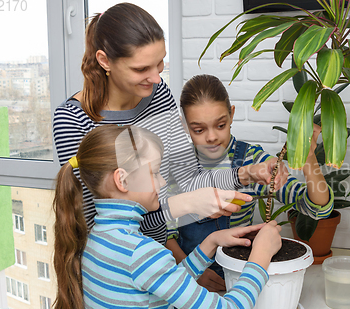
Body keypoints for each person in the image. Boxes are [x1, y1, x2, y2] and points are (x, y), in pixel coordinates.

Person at [52, 2, 288, 248]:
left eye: (160, 63)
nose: (156, 78)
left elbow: (187, 181)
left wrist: (246, 174)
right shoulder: (73, 120)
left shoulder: (158, 95)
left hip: (158, 257)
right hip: (116, 268)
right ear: (104, 61)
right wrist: (185, 205)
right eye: (141, 68)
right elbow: (98, 226)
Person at [53, 124, 283, 309]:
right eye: (154, 173)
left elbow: (163, 282)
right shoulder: (140, 252)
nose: (162, 182)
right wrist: (260, 257)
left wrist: (210, 242)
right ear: (122, 181)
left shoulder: (97, 238)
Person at [166, 75, 334, 309]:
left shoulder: (251, 161)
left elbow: (317, 207)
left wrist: (308, 157)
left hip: (240, 285)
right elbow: (165, 232)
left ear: (232, 115)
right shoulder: (176, 166)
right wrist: (195, 274)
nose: (211, 137)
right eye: (199, 129)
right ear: (184, 125)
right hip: (187, 283)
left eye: (220, 125)